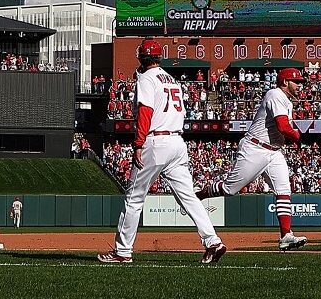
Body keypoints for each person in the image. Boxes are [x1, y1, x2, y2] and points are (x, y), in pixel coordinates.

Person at [98, 39, 226, 264]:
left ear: (141, 57)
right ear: (158, 57)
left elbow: (146, 113)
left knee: (134, 199)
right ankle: (213, 241)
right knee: (188, 196)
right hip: (177, 141)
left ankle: (123, 251)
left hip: (155, 141)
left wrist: (138, 145)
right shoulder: (171, 79)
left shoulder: (146, 79)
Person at [196, 68, 308, 251]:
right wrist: (297, 136)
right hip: (255, 148)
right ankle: (199, 195)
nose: (300, 85)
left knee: (284, 190)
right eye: (296, 82)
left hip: (273, 151)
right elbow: (283, 126)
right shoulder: (275, 94)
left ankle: (286, 235)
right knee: (229, 189)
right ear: (285, 82)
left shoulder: (286, 100)